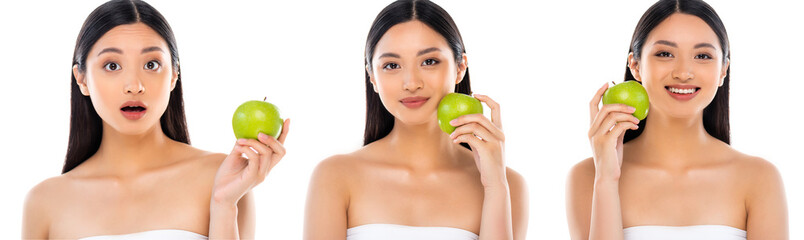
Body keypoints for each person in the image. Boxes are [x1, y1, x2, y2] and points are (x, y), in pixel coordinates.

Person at [22, 1, 289, 239]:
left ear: (173, 75)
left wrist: (223, 203)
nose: (134, 85)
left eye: (151, 65)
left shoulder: (222, 178)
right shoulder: (44, 202)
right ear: (82, 79)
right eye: (112, 66)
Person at [304, 1, 528, 239]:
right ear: (372, 77)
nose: (411, 83)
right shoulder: (334, 175)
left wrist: (494, 188)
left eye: (429, 61)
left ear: (460, 67)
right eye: (392, 65)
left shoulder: (507, 184)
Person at [566, 0, 788, 239]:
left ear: (723, 70)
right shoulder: (588, 176)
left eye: (702, 55)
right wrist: (607, 179)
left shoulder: (760, 178)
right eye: (665, 53)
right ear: (635, 65)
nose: (683, 73)